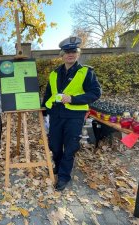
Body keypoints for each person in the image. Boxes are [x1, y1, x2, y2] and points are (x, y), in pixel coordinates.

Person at [42, 36, 101, 191]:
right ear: (62, 54)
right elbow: (48, 94)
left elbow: (95, 93)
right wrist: (44, 111)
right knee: (54, 145)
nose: (70, 54)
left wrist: (72, 99)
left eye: (74, 51)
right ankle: (59, 165)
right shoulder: (54, 73)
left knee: (70, 147)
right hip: (56, 115)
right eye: (67, 51)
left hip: (74, 117)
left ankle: (63, 176)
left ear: (78, 54)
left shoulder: (85, 72)